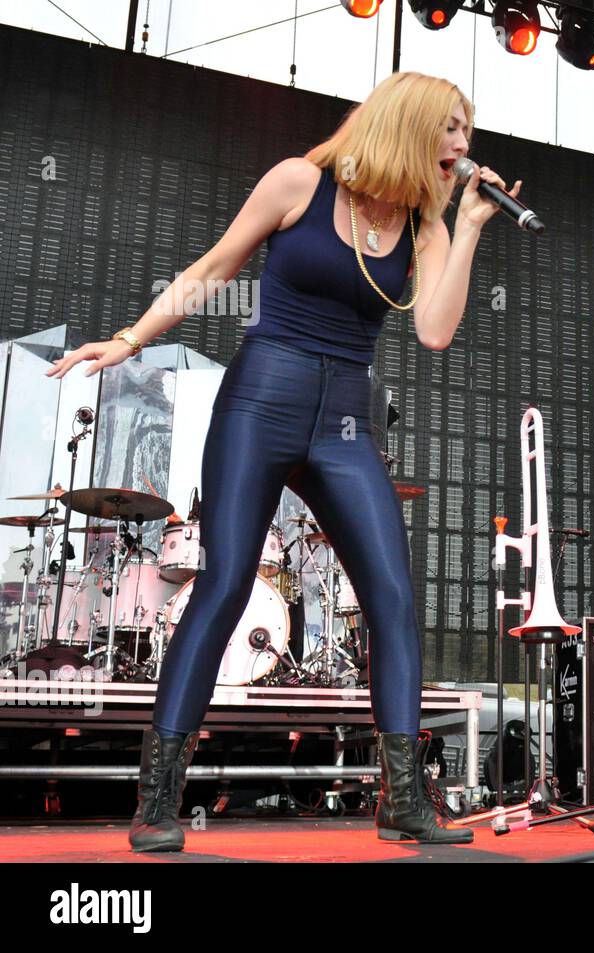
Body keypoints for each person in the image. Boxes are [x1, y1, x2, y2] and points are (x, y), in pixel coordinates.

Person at [48, 72, 522, 850]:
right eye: (450, 129)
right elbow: (213, 267)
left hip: (343, 421)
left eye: (467, 132)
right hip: (262, 399)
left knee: (394, 596)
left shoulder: (423, 228)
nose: (464, 146)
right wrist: (131, 339)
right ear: (407, 124)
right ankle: (158, 800)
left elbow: (434, 331)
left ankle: (402, 798)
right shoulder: (301, 182)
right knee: (227, 578)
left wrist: (467, 226)